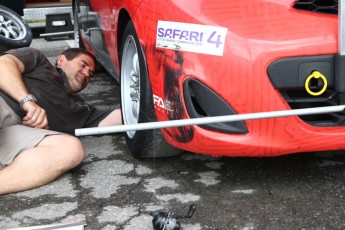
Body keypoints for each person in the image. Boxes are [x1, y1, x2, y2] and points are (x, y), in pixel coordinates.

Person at [0, 47, 122, 196]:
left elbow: (121, 117)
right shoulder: (38, 61)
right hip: (3, 105)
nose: (86, 74)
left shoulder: (82, 109)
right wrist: (27, 101)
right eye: (83, 65)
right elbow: (3, 65)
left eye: (91, 73)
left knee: (71, 149)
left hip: (16, 133)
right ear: (61, 60)